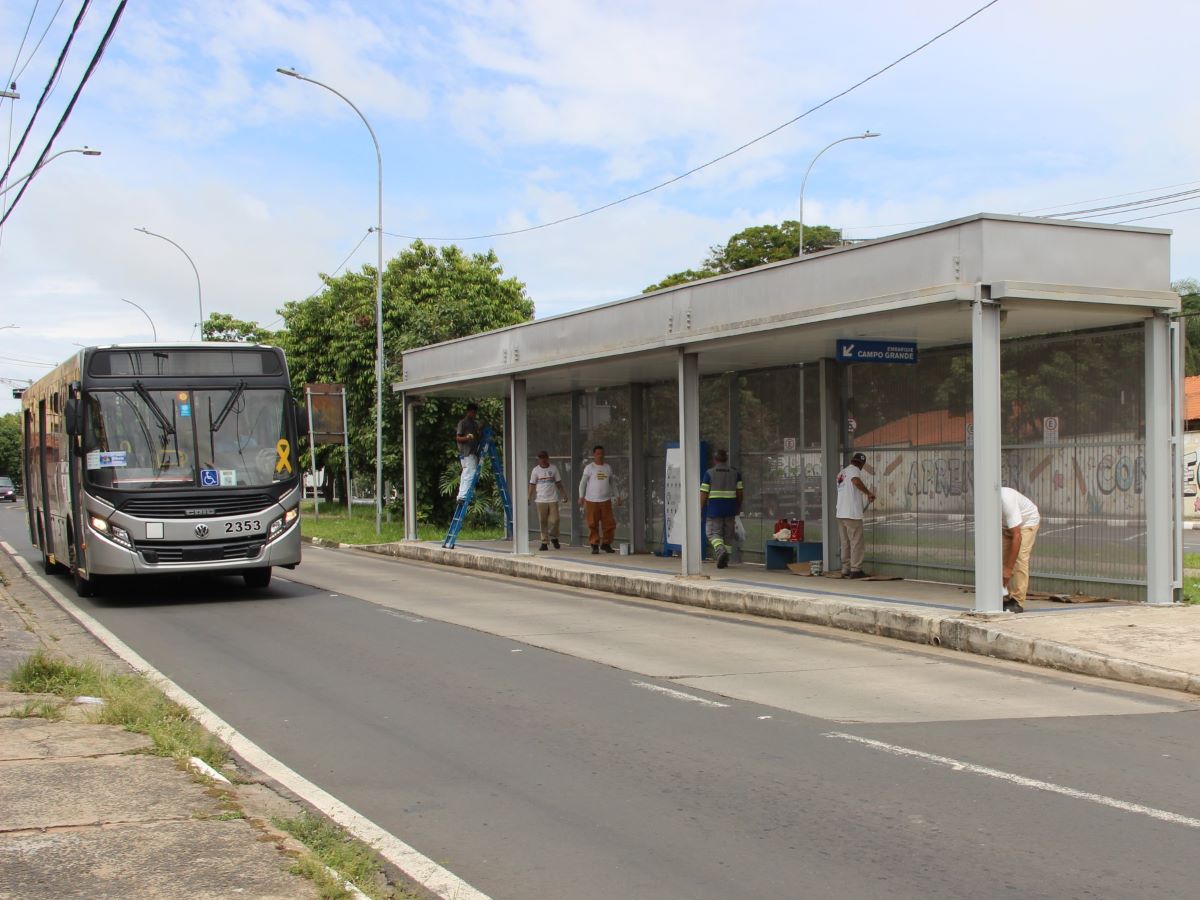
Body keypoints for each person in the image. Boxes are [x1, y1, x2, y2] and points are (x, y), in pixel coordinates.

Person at [700, 448, 743, 569]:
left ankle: (720, 551)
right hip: (730, 509)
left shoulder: (709, 473)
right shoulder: (735, 473)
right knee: (728, 535)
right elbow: (740, 493)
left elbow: (703, 493)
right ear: (726, 459)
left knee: (712, 533)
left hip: (715, 509)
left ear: (715, 460)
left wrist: (700, 508)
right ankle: (725, 559)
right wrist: (738, 506)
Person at [835, 451, 875, 578]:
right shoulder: (854, 471)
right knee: (856, 542)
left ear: (852, 460)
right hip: (851, 514)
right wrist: (868, 493)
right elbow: (856, 481)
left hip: (841, 513)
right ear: (861, 464)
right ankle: (856, 569)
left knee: (845, 543)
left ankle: (845, 569)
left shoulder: (842, 473)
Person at [1001, 485, 1040, 613]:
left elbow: (1017, 537)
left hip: (1027, 522)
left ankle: (1017, 600)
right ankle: (1005, 596)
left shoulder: (1006, 500)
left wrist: (1007, 569)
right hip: (1007, 526)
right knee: (1000, 557)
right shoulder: (983, 501)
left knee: (1019, 558)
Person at [578, 444, 616, 554]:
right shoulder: (589, 467)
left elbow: (612, 483)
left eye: (602, 453)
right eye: (598, 453)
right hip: (591, 500)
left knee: (609, 524)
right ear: (594, 455)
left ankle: (606, 543)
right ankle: (594, 544)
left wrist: (617, 495)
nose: (600, 456)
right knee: (592, 523)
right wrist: (581, 496)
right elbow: (583, 483)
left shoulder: (608, 467)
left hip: (605, 500)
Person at [528, 450, 567, 551]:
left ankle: (554, 537)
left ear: (547, 458)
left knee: (555, 520)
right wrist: (529, 496)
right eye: (541, 458)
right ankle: (544, 542)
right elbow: (532, 484)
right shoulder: (535, 470)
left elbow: (558, 483)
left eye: (544, 457)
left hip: (552, 498)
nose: (543, 459)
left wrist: (563, 494)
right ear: (538, 459)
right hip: (541, 499)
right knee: (542, 521)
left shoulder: (553, 468)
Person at [454, 403, 481, 502]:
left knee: (468, 473)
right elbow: (457, 437)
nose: (474, 414)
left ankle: (464, 494)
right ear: (468, 411)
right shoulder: (463, 423)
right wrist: (466, 438)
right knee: (470, 472)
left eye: (475, 413)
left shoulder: (474, 424)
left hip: (473, 453)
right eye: (473, 412)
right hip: (466, 453)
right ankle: (464, 495)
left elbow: (478, 437)